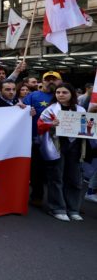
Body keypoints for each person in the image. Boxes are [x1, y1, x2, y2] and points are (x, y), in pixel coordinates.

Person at [37, 83, 87, 221]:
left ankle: (73, 209)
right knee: (56, 177)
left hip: (75, 146)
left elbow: (87, 128)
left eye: (64, 92)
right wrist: (50, 125)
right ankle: (57, 208)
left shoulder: (81, 109)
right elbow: (40, 127)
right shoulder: (50, 110)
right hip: (56, 146)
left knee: (74, 178)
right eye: (58, 92)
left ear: (72, 94)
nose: (60, 95)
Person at [24, 71, 61, 207]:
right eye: (47, 79)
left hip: (58, 141)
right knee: (37, 171)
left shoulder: (62, 96)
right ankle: (37, 196)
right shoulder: (33, 96)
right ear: (42, 81)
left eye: (54, 79)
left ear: (60, 82)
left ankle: (59, 201)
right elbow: (21, 111)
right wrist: (26, 111)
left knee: (57, 172)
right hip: (37, 139)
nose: (51, 82)